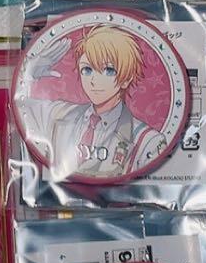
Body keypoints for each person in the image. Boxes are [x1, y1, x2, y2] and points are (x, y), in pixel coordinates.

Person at [19, 24, 165, 179]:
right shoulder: (59, 114)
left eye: (109, 70)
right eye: (87, 70)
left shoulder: (147, 140)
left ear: (126, 79)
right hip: (47, 191)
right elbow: (16, 111)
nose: (94, 80)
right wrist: (27, 76)